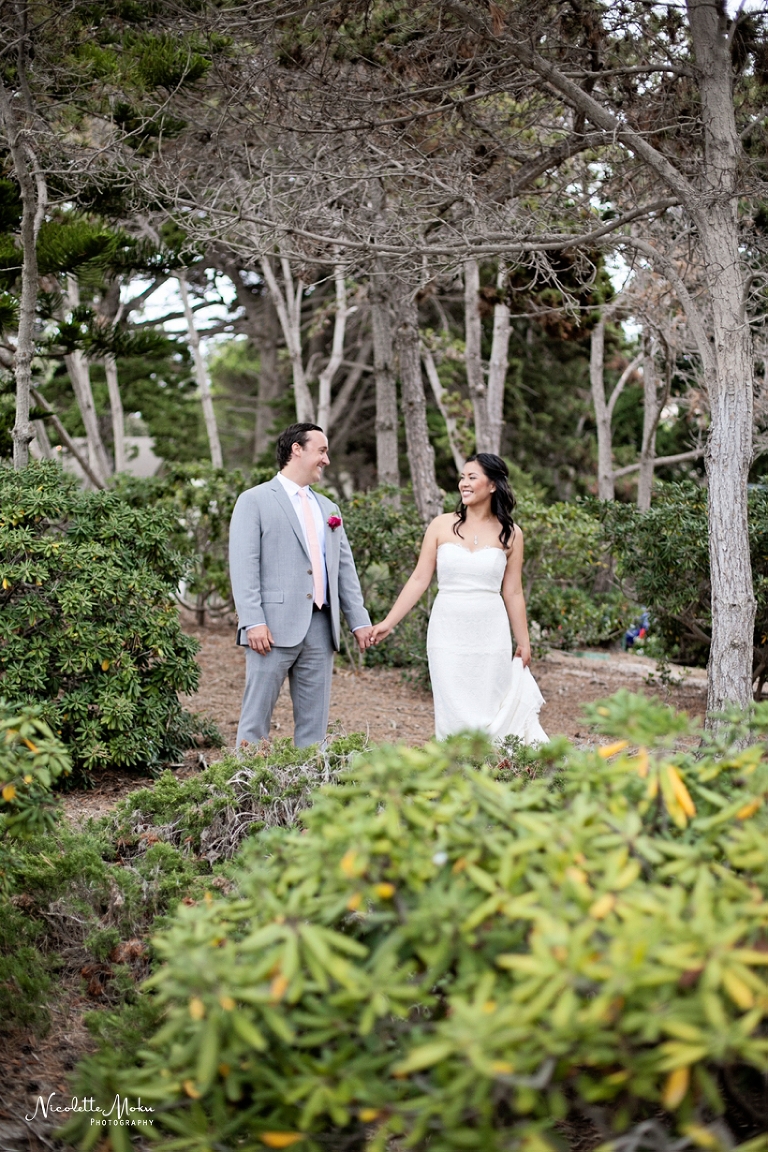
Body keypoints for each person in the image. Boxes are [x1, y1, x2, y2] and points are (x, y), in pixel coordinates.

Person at [370, 454, 547, 744]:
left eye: (472, 477)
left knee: (490, 700)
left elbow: (513, 591)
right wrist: (389, 622)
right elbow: (419, 579)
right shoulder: (440, 526)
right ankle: (455, 768)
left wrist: (524, 641)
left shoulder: (512, 534)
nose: (463, 483)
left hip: (491, 632)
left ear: (492, 485)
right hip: (447, 629)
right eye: (462, 477)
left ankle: (493, 767)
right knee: (451, 703)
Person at [229, 423, 372, 748]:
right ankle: (244, 793)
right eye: (321, 451)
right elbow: (243, 565)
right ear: (297, 449)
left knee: (314, 727)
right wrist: (254, 620)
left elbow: (344, 569)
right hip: (270, 630)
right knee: (255, 721)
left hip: (321, 629)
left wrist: (359, 621)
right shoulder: (254, 500)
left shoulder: (328, 509)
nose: (327, 459)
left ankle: (309, 794)